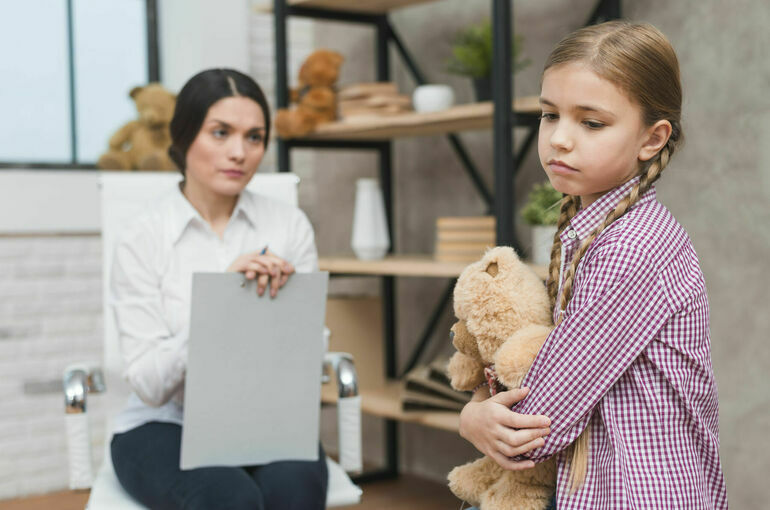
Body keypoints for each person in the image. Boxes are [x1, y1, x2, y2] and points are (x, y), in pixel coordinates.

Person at [458, 21, 728, 509]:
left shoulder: (632, 246)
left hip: (639, 494)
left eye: (591, 122)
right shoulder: (593, 228)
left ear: (652, 139)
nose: (559, 139)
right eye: (548, 115)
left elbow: (541, 422)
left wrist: (473, 415)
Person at [109, 68, 327, 510]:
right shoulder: (142, 237)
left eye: (254, 137)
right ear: (184, 135)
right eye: (221, 133)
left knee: (296, 489)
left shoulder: (287, 226)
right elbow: (149, 384)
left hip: (266, 419)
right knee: (229, 498)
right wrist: (223, 305)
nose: (239, 152)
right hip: (162, 424)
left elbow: (310, 357)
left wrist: (286, 316)